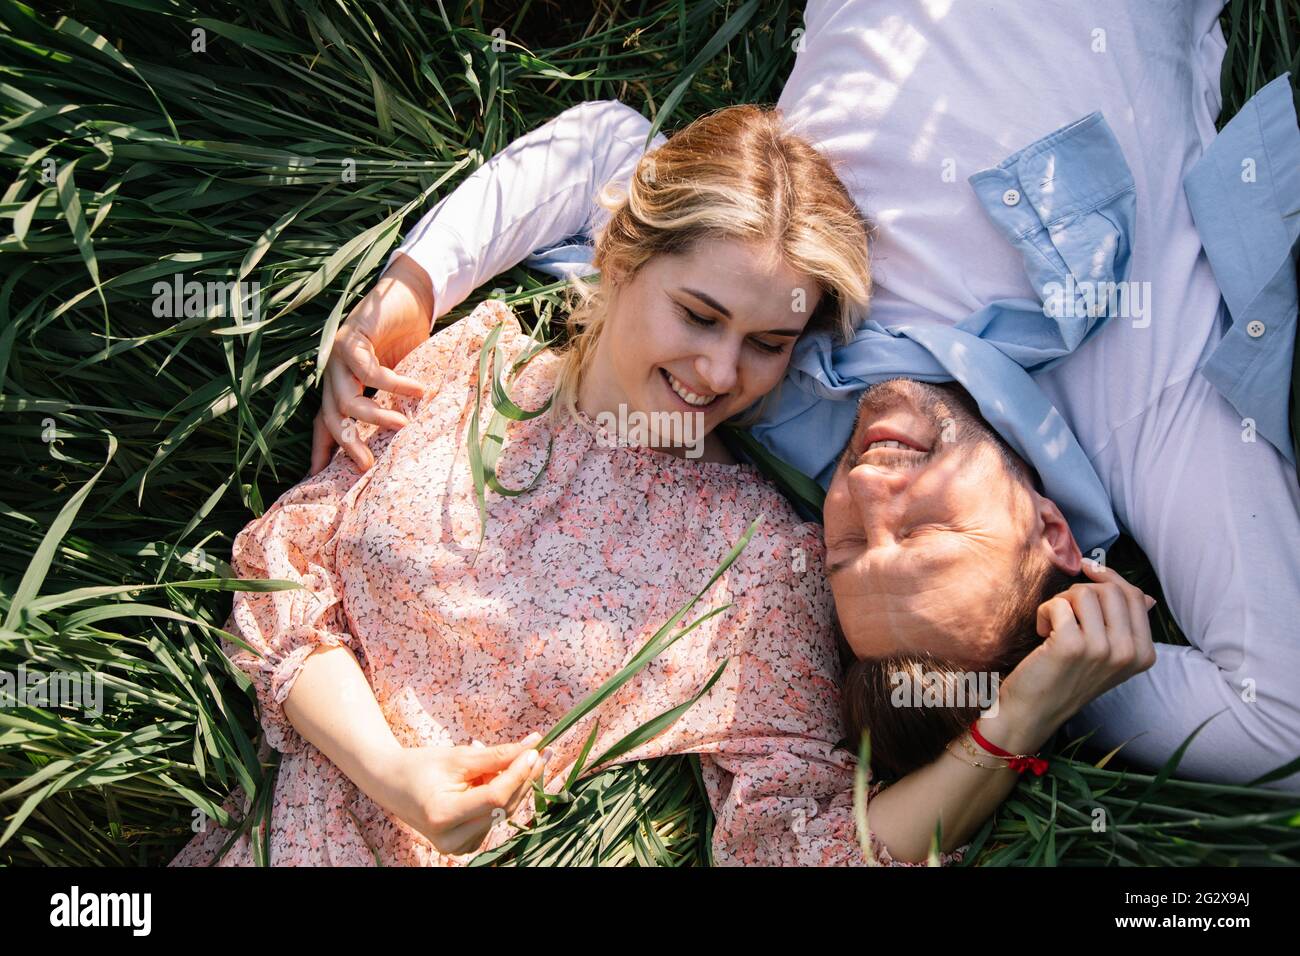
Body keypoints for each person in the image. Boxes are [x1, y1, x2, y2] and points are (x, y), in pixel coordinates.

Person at [318, 0, 1300, 791]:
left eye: (839, 547)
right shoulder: (1145, 407)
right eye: (924, 536)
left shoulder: (768, 380)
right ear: (1051, 531)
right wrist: (1047, 670)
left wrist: (404, 295)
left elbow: (598, 156)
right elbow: (1283, 720)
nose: (871, 492)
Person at [171, 103, 1147, 867]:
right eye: (699, 314)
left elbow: (803, 849)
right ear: (620, 254)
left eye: (768, 344)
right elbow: (282, 587)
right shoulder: (458, 367)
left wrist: (1014, 720)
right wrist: (392, 773)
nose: (722, 372)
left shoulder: (749, 561)